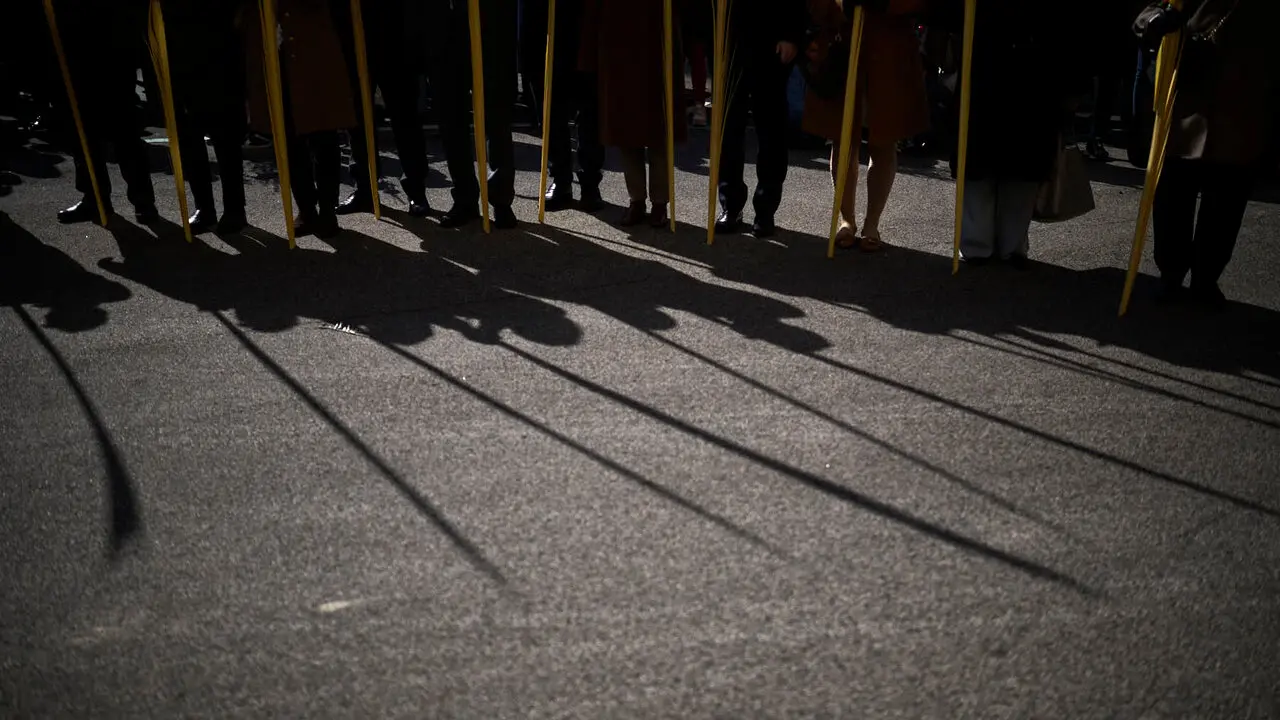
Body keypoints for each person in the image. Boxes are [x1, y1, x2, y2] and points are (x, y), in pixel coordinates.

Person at [1136, 0, 1280, 308]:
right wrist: (1156, 20)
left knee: (1225, 207)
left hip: (1243, 113)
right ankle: (1171, 275)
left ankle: (1205, 278)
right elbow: (1148, 13)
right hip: (1186, 109)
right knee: (1173, 198)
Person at [946, 2, 1087, 266]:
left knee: (1022, 165)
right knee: (979, 163)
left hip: (1033, 70)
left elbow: (1070, 24)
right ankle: (980, 244)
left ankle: (1009, 245)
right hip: (984, 66)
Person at [802, 0, 930, 251]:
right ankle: (846, 220)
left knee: (884, 138)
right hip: (843, 48)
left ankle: (872, 223)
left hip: (889, 53)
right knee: (842, 137)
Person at [245, 0, 359, 239]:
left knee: (323, 135)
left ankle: (327, 210)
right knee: (290, 139)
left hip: (314, 55)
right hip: (278, 56)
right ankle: (307, 209)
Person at [581, 0, 686, 228]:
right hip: (617, 49)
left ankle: (659, 202)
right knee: (625, 131)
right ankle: (636, 199)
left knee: (658, 131)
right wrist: (588, 56)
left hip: (657, 47)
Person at [51, 0, 158, 225]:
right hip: (76, 48)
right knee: (83, 135)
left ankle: (143, 201)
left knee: (125, 132)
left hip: (114, 46)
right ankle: (95, 199)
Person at [714, 0, 807, 237]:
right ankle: (730, 205)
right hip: (729, 37)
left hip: (770, 40)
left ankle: (765, 209)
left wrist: (791, 35)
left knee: (771, 130)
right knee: (728, 129)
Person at [427, 0, 519, 230]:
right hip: (445, 24)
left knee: (496, 115)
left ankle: (501, 200)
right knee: (450, 115)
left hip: (492, 21)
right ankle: (465, 199)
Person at [336, 0, 431, 218]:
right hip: (353, 28)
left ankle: (416, 188)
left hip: (394, 32)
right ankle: (364, 188)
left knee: (405, 116)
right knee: (358, 119)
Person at [164, 0, 248, 235]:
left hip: (219, 54)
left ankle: (234, 210)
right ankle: (204, 208)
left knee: (226, 139)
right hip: (180, 56)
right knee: (189, 139)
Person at [522, 0, 605, 213]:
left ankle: (590, 183)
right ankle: (561, 180)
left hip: (584, 26)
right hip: (545, 29)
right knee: (551, 110)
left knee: (590, 111)